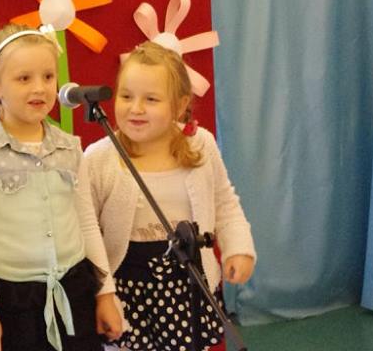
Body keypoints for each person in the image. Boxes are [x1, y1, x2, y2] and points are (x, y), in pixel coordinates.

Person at [0, 24, 124, 351]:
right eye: (24, 78)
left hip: (74, 290)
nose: (40, 88)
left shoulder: (69, 146)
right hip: (13, 301)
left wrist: (105, 294)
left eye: (48, 76)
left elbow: (87, 222)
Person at [84, 42, 256, 351]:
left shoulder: (200, 144)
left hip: (188, 286)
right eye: (126, 96)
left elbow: (224, 203)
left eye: (151, 99)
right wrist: (102, 293)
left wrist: (238, 248)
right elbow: (87, 233)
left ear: (180, 105)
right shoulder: (99, 158)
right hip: (127, 289)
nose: (136, 108)